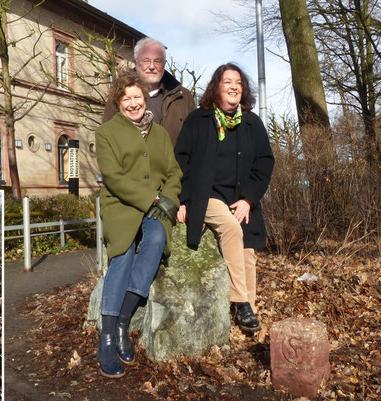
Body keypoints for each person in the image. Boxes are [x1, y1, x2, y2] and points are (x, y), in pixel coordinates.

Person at [174, 63, 274, 333]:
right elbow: (180, 160)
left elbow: (264, 163)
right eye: (227, 81)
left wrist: (248, 200)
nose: (233, 87)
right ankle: (241, 302)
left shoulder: (252, 122)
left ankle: (249, 316)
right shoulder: (199, 119)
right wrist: (181, 199)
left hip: (239, 198)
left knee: (248, 249)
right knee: (231, 227)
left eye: (238, 83)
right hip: (205, 196)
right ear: (216, 87)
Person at [96, 69, 182, 378]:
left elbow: (173, 171)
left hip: (156, 206)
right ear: (118, 102)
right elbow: (114, 178)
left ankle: (123, 322)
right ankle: (106, 339)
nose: (133, 103)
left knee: (157, 240)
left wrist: (168, 198)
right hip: (121, 204)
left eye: (138, 97)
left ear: (145, 99)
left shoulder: (159, 133)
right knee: (122, 255)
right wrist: (153, 199)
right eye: (127, 98)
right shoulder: (106, 133)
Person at [103, 37, 196, 147]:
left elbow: (195, 141)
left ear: (164, 64)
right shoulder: (118, 95)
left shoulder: (183, 97)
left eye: (157, 61)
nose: (152, 66)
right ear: (135, 63)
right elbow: (106, 141)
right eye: (146, 60)